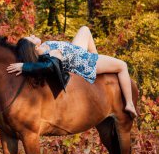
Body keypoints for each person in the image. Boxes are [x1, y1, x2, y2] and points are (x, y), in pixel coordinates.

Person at [7, 26, 137, 118]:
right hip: (84, 62)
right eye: (31, 38)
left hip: (76, 50)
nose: (33, 35)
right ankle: (129, 104)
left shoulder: (44, 47)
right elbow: (48, 66)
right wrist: (25, 67)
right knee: (122, 66)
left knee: (85, 29)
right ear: (34, 47)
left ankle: (100, 60)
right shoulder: (48, 55)